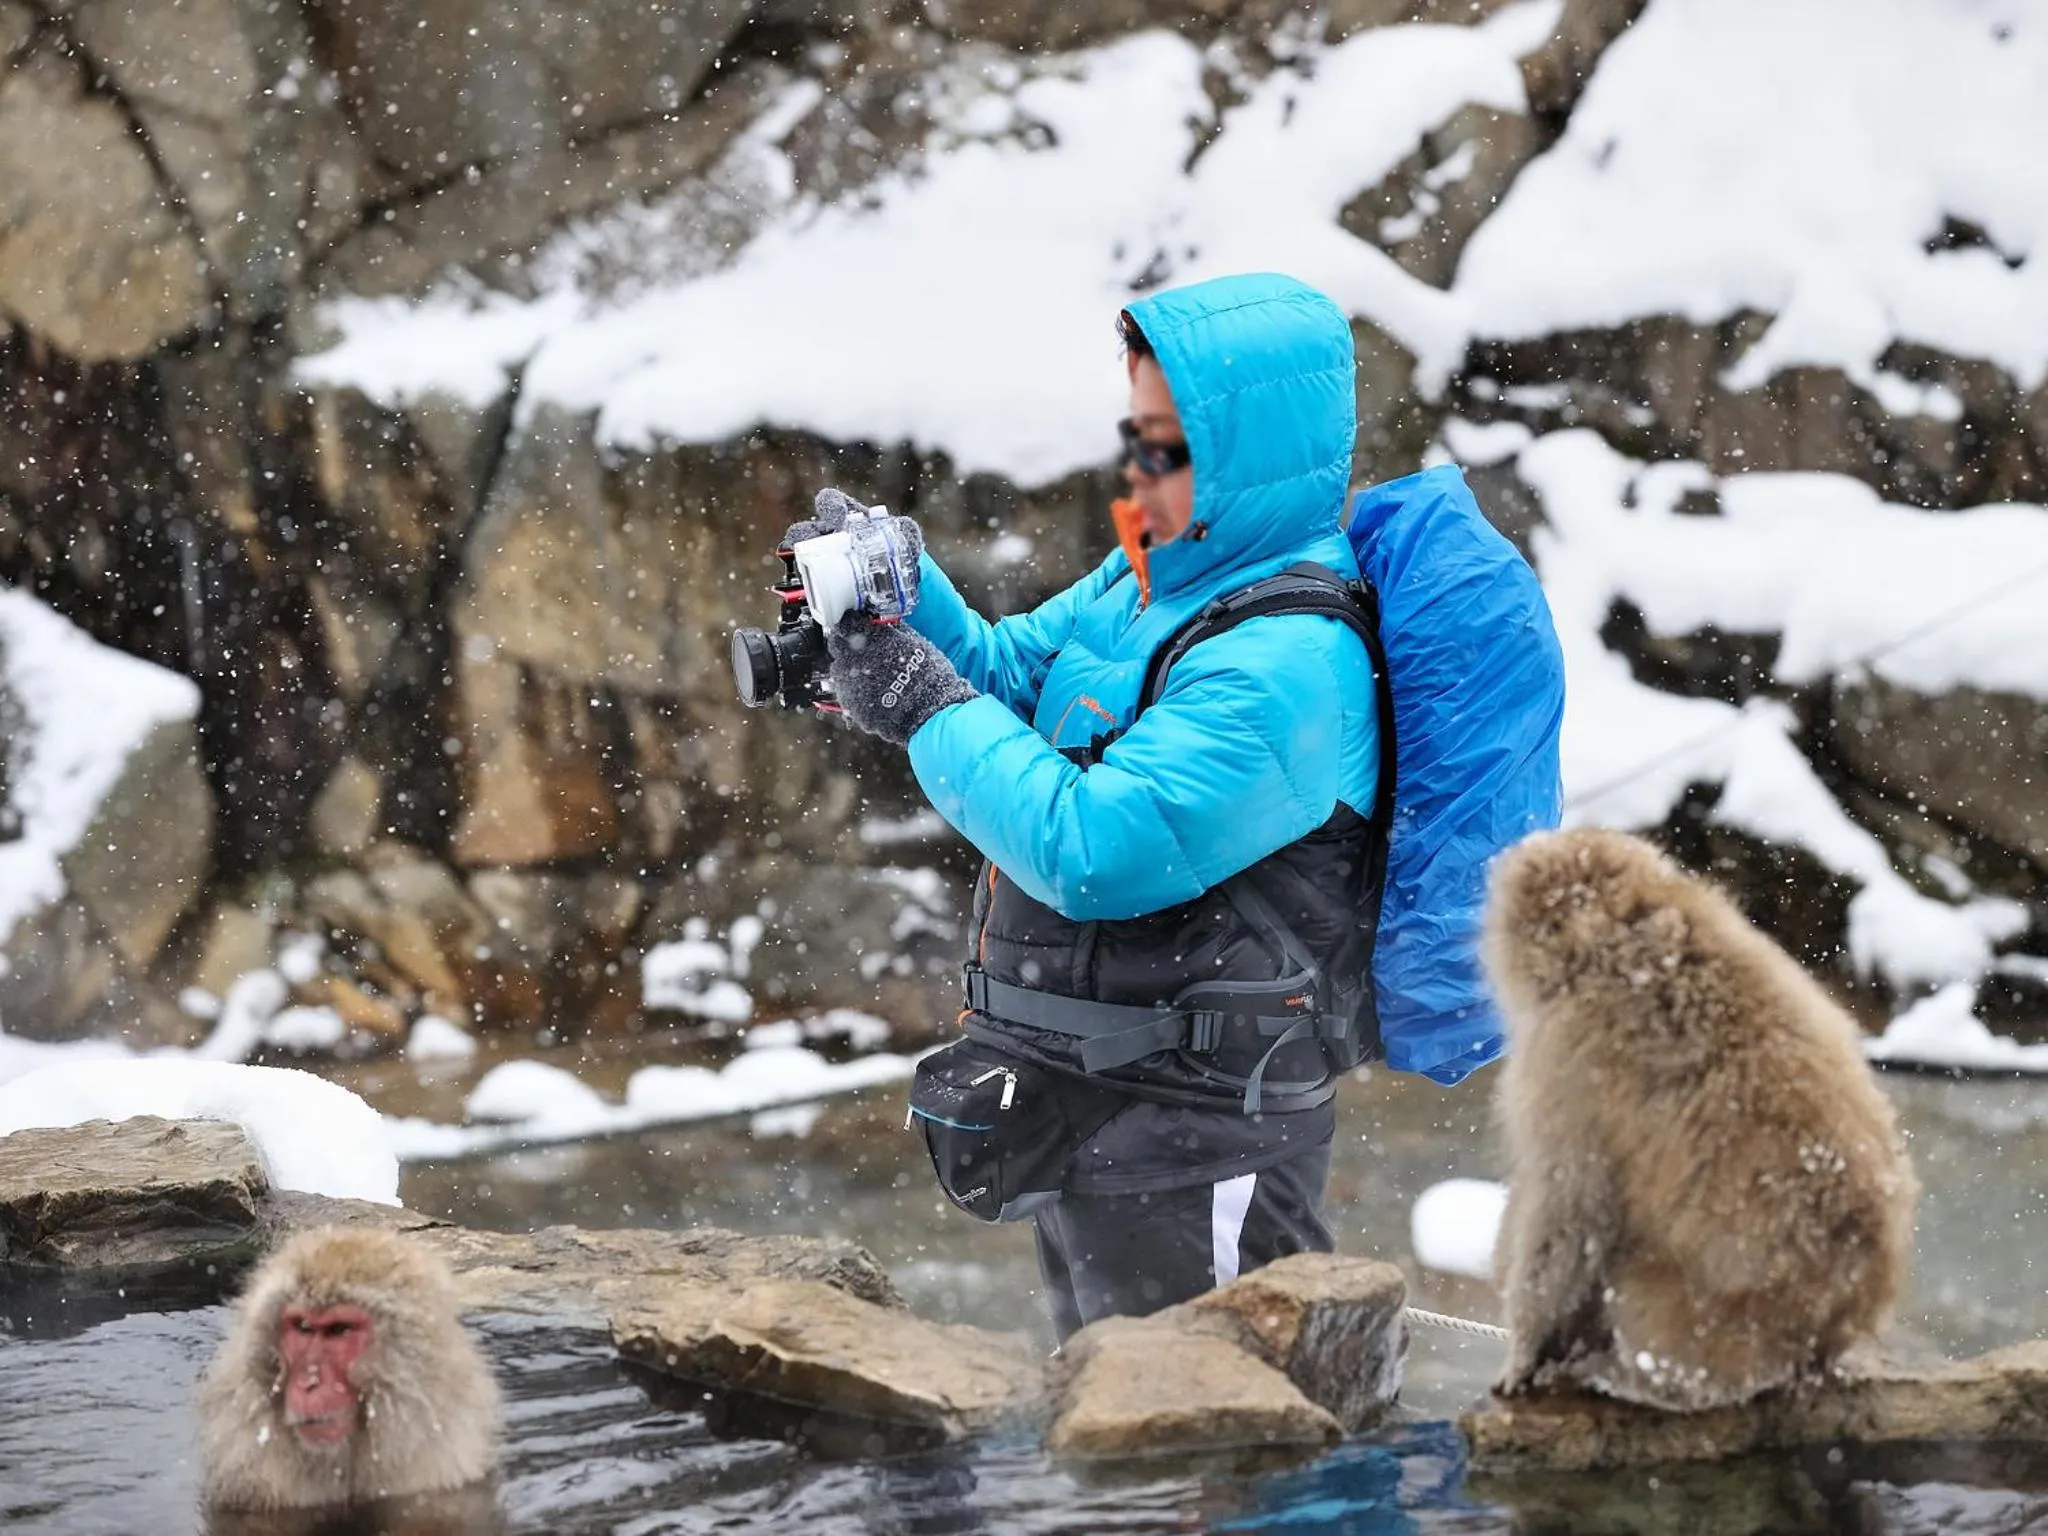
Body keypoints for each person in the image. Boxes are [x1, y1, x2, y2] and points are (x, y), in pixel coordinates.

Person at [800, 271, 1381, 1341]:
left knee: (1215, 1469)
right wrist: (903, 593)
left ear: (1249, 452)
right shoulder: (1152, 579)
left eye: (1169, 443)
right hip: (1089, 1105)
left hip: (1199, 1135)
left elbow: (1094, 849)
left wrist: (921, 704)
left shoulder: (1289, 658)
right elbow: (1012, 675)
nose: (1137, 467)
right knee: (1114, 1459)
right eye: (1135, 435)